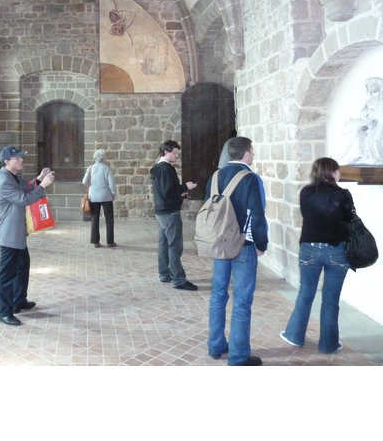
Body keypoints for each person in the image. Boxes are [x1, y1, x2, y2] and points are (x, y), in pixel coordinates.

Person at [280, 157, 353, 353]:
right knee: (331, 299)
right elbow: (350, 220)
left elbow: (308, 216)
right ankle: (328, 344)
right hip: (336, 250)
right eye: (337, 171)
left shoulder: (306, 192)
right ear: (332, 172)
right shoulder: (343, 194)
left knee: (305, 293)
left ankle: (294, 336)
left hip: (309, 248)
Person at [206, 136, 269, 366]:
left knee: (218, 295)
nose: (253, 155)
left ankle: (215, 345)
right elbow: (257, 215)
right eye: (252, 151)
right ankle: (239, 356)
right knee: (242, 301)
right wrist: (261, 244)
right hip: (243, 246)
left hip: (219, 245)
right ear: (245, 154)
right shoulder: (250, 179)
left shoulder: (215, 176)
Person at [0, 145, 55, 326]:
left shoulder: (12, 176)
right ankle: (3, 311)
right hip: (9, 235)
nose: (21, 160)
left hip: (17, 233)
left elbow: (25, 187)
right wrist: (43, 186)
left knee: (22, 266)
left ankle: (18, 300)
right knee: (6, 275)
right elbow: (23, 199)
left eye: (21, 157)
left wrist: (38, 179)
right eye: (17, 158)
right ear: (7, 162)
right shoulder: (3, 180)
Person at [150, 140, 198, 290]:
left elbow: (167, 191)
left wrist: (181, 194)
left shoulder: (158, 168)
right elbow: (168, 191)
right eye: (174, 153)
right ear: (165, 152)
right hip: (169, 213)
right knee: (175, 246)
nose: (177, 156)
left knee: (164, 244)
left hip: (162, 211)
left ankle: (165, 274)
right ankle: (178, 279)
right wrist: (185, 187)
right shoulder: (166, 169)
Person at [82, 149, 117, 248]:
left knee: (95, 218)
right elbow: (112, 184)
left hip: (94, 197)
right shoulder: (107, 169)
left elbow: (84, 182)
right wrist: (113, 195)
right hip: (106, 196)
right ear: (103, 158)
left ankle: (95, 241)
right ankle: (110, 241)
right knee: (109, 219)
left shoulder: (91, 168)